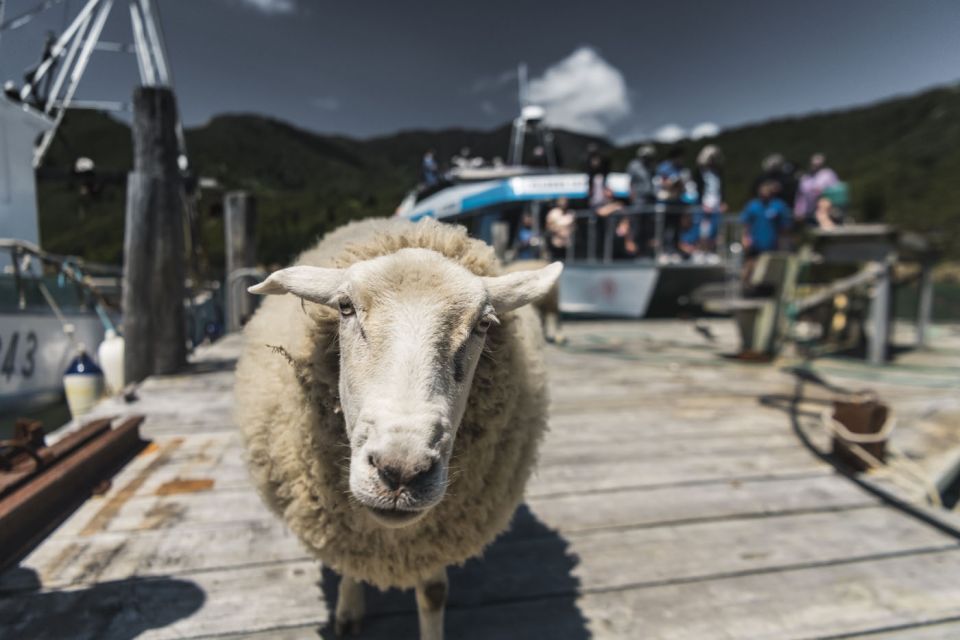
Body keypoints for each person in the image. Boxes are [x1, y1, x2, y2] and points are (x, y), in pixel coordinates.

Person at [680, 145, 725, 255]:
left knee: (713, 229)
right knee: (697, 227)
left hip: (715, 204)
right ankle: (693, 248)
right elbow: (698, 188)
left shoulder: (717, 173)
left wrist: (723, 202)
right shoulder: (699, 173)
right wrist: (702, 203)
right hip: (702, 204)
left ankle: (710, 251)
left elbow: (722, 188)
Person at [740, 181, 791, 257]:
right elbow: (745, 223)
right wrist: (744, 238)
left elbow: (785, 226)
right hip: (754, 245)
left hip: (773, 245)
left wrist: (783, 243)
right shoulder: (752, 205)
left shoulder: (779, 206)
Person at [794, 153, 839, 224]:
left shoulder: (828, 174)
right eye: (814, 164)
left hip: (826, 208)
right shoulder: (805, 178)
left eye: (818, 164)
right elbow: (800, 196)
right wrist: (798, 211)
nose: (816, 166)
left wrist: (822, 192)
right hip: (809, 211)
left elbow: (835, 190)